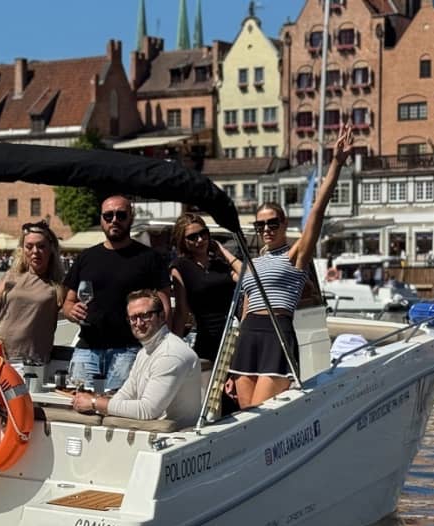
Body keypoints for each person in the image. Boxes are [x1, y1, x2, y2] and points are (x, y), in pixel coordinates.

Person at [229, 123, 355, 409]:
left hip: (277, 333)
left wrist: (336, 162)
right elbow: (246, 307)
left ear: (284, 224)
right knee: (243, 415)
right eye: (260, 224)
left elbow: (317, 211)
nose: (266, 229)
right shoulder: (254, 262)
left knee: (260, 415)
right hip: (248, 335)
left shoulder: (295, 255)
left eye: (273, 223)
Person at [62, 195, 170, 391]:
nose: (114, 220)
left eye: (121, 215)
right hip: (87, 347)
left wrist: (159, 345)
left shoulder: (149, 258)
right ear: (101, 219)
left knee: (119, 411)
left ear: (131, 217)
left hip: (129, 349)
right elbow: (67, 302)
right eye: (108, 215)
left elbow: (164, 305)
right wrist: (71, 311)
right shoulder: (86, 257)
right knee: (77, 405)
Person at [72, 289, 200, 423]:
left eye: (145, 316)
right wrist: (99, 405)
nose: (138, 323)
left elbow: (148, 410)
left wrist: (94, 403)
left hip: (176, 435)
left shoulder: (171, 354)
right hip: (152, 430)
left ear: (162, 316)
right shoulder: (144, 351)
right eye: (133, 318)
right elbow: (127, 393)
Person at [0, 220, 64, 364]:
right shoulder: (11, 276)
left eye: (41, 246)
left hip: (32, 360)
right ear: (22, 250)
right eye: (29, 246)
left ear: (51, 249)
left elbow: (71, 313)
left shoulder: (59, 284)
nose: (35, 251)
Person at [169, 212, 242, 361]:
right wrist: (172, 348)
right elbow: (181, 311)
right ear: (183, 241)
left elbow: (249, 277)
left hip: (235, 334)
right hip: (208, 338)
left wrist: (223, 251)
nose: (200, 239)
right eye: (192, 237)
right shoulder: (180, 267)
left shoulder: (219, 264)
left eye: (204, 233)